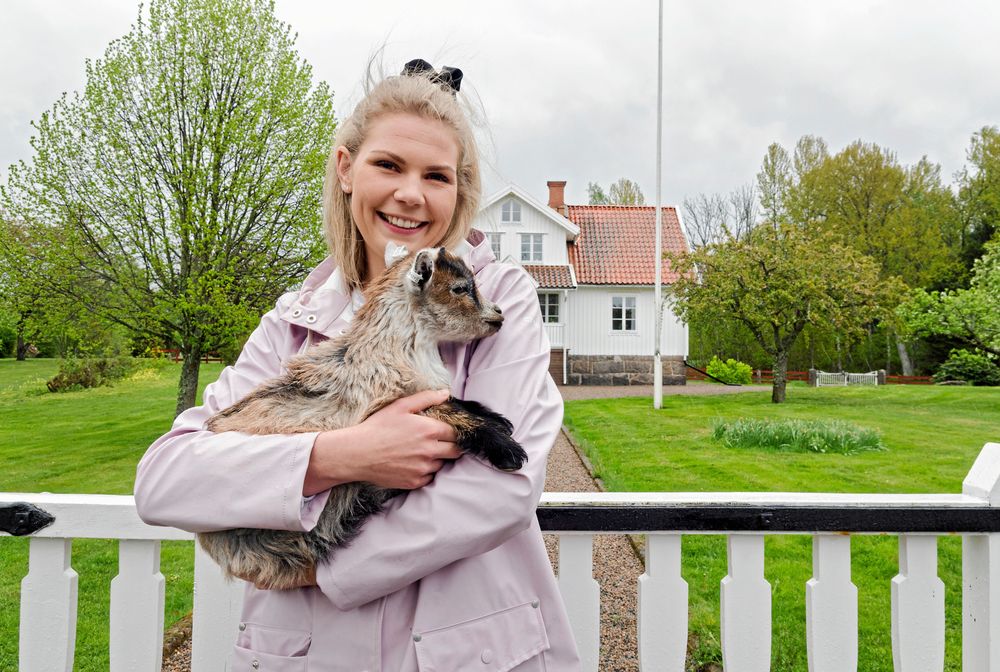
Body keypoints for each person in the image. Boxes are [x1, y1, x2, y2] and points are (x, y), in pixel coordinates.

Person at [134, 59, 582, 671]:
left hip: (466, 653)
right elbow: (165, 480)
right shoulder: (293, 322)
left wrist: (327, 570)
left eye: (436, 176)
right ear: (346, 169)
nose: (411, 194)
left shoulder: (499, 302)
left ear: (458, 191)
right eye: (388, 165)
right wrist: (344, 456)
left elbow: (502, 485)